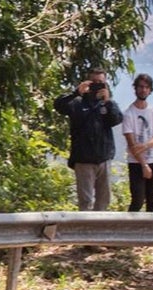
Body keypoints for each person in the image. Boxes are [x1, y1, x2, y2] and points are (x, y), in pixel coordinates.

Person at [54, 67, 124, 211]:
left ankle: (100, 230)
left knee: (104, 199)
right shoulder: (77, 103)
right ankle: (85, 230)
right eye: (94, 82)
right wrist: (76, 92)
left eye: (101, 83)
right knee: (85, 201)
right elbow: (58, 106)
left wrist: (108, 101)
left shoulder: (107, 104)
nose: (97, 85)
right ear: (87, 82)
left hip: (103, 158)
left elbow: (117, 119)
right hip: (83, 159)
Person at [122, 74, 153, 212]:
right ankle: (129, 230)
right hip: (136, 163)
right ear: (135, 88)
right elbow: (131, 143)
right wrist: (144, 165)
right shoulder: (129, 114)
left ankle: (152, 232)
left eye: (146, 87)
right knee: (138, 200)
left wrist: (146, 146)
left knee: (152, 202)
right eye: (140, 86)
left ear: (150, 90)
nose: (143, 90)